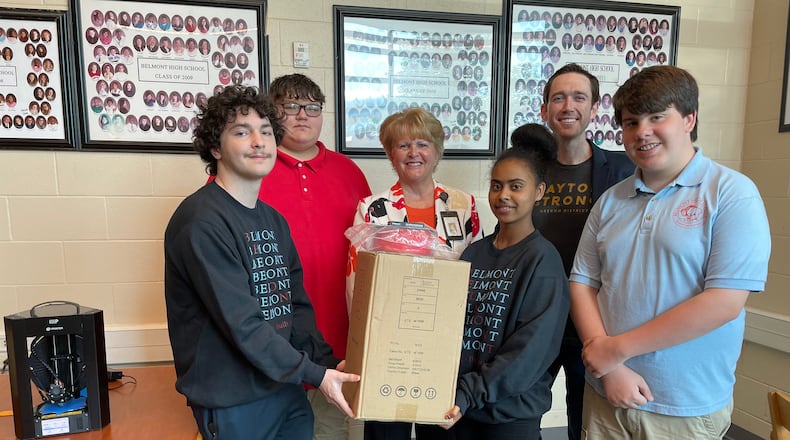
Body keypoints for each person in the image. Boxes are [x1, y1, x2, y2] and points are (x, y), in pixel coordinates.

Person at [569, 66, 771, 438]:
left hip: (684, 408)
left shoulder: (731, 194)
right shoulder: (611, 201)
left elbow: (725, 301)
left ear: (689, 119)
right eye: (631, 122)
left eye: (657, 117)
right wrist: (610, 366)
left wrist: (616, 351)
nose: (642, 132)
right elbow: (582, 282)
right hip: (605, 396)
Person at [165, 85, 360, 440]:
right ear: (214, 147)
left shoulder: (272, 219)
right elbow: (243, 323)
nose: (259, 141)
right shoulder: (201, 221)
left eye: (266, 132)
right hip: (233, 400)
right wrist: (315, 374)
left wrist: (328, 364)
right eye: (242, 132)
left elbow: (295, 307)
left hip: (284, 387)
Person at [351, 106, 483, 440]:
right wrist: (366, 344)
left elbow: (477, 272)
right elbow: (357, 283)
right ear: (389, 153)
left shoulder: (463, 204)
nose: (414, 153)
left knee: (441, 431)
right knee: (386, 432)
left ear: (437, 151)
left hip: (446, 345)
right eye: (403, 145)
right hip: (388, 344)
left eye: (422, 144)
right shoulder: (373, 209)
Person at [442, 124, 570, 440]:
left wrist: (470, 392)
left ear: (538, 191)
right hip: (458, 410)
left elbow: (529, 353)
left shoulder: (543, 260)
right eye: (497, 186)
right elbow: (450, 326)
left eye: (516, 186)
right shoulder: (474, 253)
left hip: (508, 418)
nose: (504, 196)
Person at [536, 63, 634, 440]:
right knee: (519, 413)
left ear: (595, 109)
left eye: (579, 97)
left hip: (594, 322)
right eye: (558, 98)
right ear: (544, 110)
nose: (568, 106)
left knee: (585, 423)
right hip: (537, 318)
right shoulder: (529, 169)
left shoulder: (624, 170)